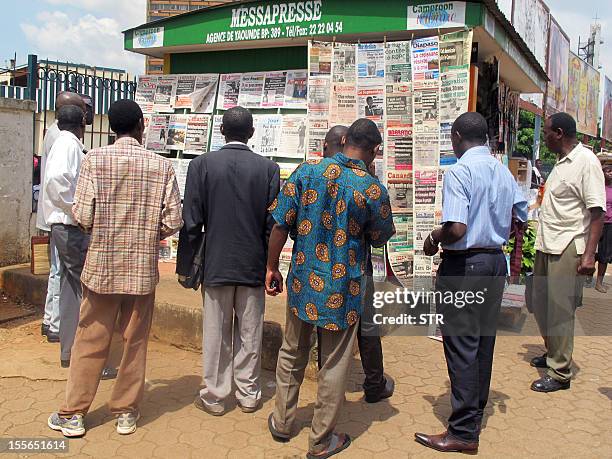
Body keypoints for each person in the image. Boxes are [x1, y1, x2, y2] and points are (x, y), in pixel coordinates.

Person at [48, 99, 183, 437]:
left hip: (101, 267)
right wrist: (149, 234)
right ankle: (125, 412)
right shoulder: (160, 166)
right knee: (134, 341)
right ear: (141, 125)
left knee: (90, 339)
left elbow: (82, 215)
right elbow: (173, 220)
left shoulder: (94, 159)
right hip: (141, 270)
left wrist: (103, 230)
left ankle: (74, 414)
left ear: (111, 127)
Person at [266, 119, 395, 458]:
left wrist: (270, 266)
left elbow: (281, 223)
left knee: (292, 352)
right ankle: (321, 440)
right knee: (334, 364)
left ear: (344, 139)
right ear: (373, 151)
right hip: (344, 290)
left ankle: (282, 422)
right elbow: (380, 236)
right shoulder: (372, 190)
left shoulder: (306, 173)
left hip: (303, 282)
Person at [416, 112, 527, 454]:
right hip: (495, 262)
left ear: (458, 136)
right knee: (482, 343)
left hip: (465, 266)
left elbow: (457, 228)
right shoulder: (503, 172)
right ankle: (474, 414)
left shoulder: (460, 172)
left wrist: (435, 237)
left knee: (461, 347)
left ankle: (463, 432)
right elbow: (522, 215)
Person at [177, 106, 280, 416]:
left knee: (216, 333)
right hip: (253, 264)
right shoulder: (268, 169)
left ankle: (215, 396)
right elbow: (272, 224)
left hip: (216, 263)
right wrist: (270, 266)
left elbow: (191, 220)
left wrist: (189, 265)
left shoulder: (201, 165)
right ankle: (248, 394)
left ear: (221, 131)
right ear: (251, 134)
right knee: (251, 334)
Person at [530, 113, 605, 392]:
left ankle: (560, 372)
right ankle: (553, 353)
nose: (544, 137)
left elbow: (597, 214)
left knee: (561, 309)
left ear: (559, 133)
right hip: (547, 242)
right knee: (538, 302)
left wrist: (589, 256)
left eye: (547, 132)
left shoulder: (586, 162)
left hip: (568, 245)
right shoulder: (561, 163)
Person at [321, 125, 394, 404]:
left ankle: (327, 384)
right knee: (368, 326)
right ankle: (374, 383)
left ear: (339, 142)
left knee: (325, 329)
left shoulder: (312, 174)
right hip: (354, 269)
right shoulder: (368, 184)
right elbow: (379, 236)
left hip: (317, 268)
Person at [42, 105, 89, 368]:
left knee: (72, 290)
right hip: (70, 227)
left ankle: (70, 352)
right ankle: (88, 357)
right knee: (88, 292)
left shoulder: (65, 144)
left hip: (65, 227)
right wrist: (76, 210)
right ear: (81, 124)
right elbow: (58, 181)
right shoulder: (68, 145)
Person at [595, 164, 612, 293]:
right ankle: (586, 278)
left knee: (605, 254)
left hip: (609, 224)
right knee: (591, 251)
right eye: (608, 171)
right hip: (595, 222)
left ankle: (599, 282)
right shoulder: (598, 188)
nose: (610, 173)